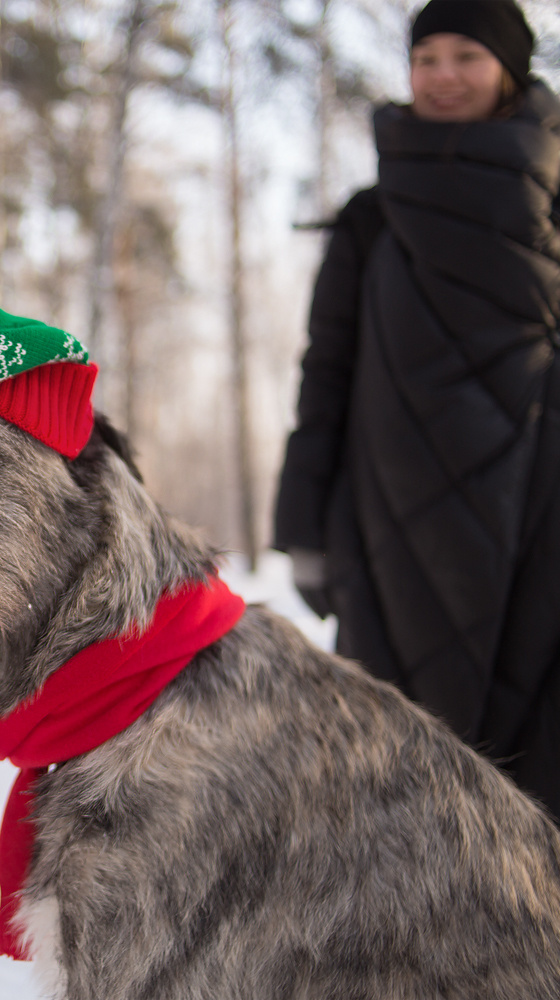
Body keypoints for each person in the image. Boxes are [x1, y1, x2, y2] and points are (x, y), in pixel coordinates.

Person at [273, 0, 560, 820]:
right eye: (424, 56)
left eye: (464, 55)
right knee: (392, 818)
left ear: (509, 68)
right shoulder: (373, 218)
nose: (440, 75)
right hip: (392, 540)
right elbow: (325, 372)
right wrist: (307, 530)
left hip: (541, 535)